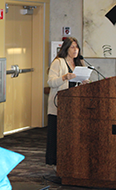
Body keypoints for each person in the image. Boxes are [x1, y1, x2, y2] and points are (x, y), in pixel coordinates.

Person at [46, 37, 88, 168]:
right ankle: (56, 163)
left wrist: (85, 82)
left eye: (77, 47)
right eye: (72, 47)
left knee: (72, 135)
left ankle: (71, 161)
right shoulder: (59, 62)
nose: (75, 50)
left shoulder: (80, 63)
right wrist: (64, 77)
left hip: (76, 105)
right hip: (60, 105)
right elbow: (51, 82)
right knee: (58, 135)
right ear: (66, 48)